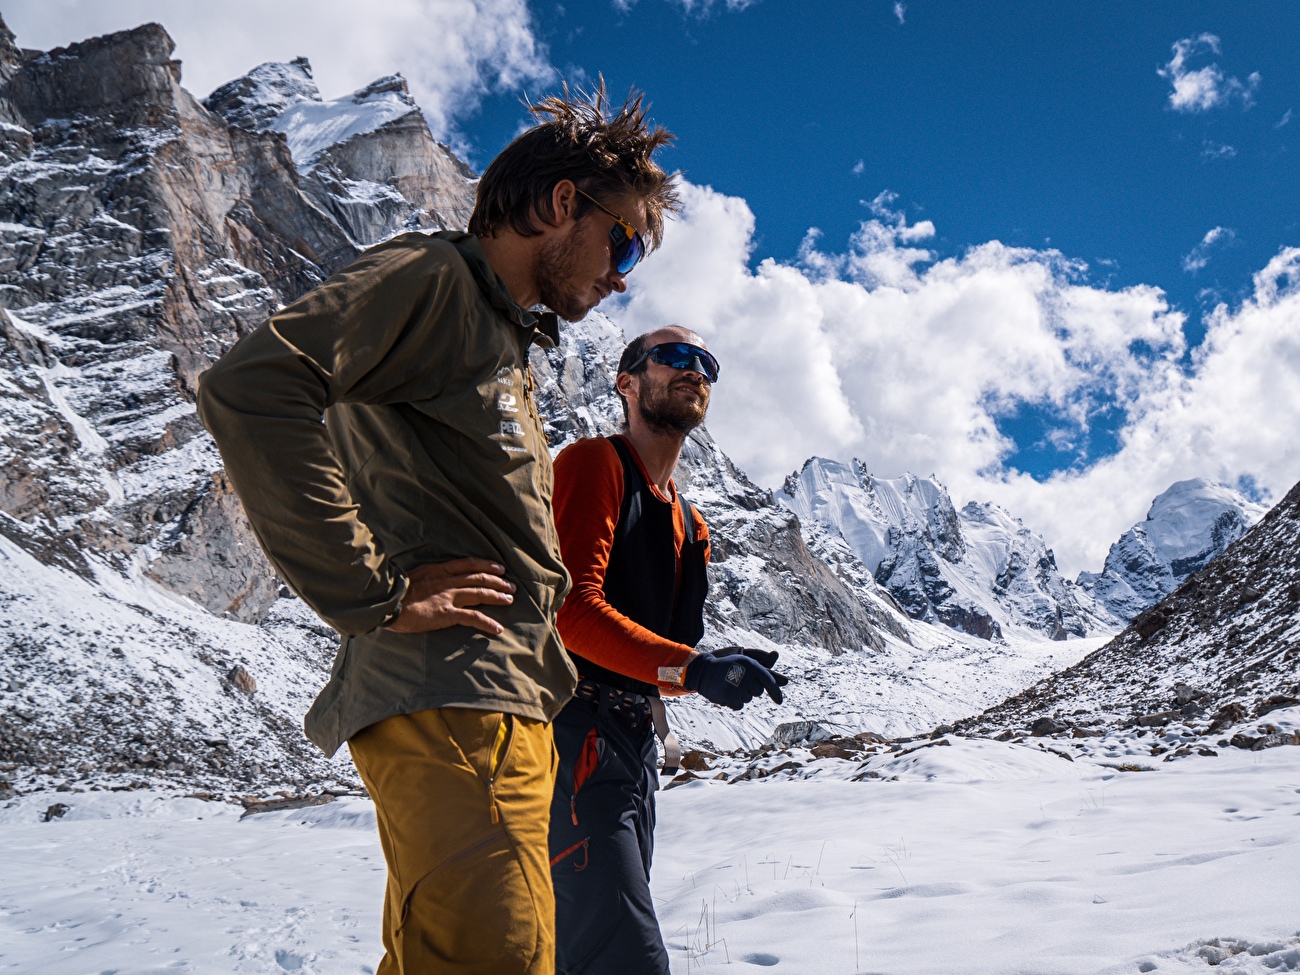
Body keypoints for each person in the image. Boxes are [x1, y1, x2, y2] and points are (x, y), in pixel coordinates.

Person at [195, 84, 680, 975]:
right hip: (453, 698)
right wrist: (371, 592)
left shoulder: (501, 338)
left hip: (507, 710)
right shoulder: (435, 282)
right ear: (561, 203)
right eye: (622, 242)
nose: (620, 275)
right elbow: (252, 386)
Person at [547, 326, 787, 975]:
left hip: (633, 752)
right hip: (574, 738)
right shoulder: (596, 463)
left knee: (583, 952)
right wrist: (694, 668)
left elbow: (658, 646)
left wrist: (714, 663)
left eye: (706, 363)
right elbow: (570, 610)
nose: (694, 370)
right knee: (626, 956)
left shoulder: (690, 521)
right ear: (627, 382)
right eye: (674, 357)